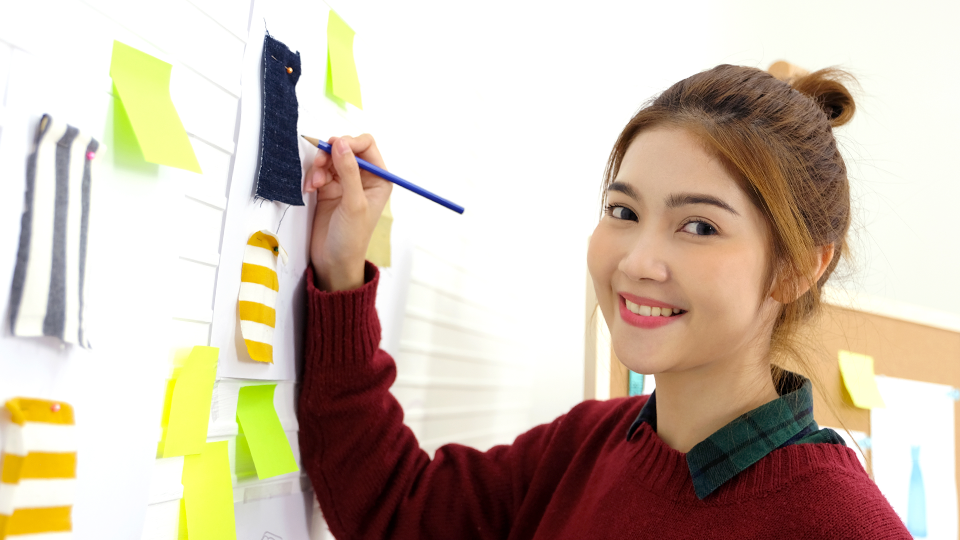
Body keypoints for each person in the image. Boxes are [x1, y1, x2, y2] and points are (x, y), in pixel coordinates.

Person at [297, 64, 911, 539]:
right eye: (623, 211)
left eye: (699, 226)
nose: (637, 262)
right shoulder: (587, 445)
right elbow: (398, 510)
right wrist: (342, 268)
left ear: (799, 267)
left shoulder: (843, 525)